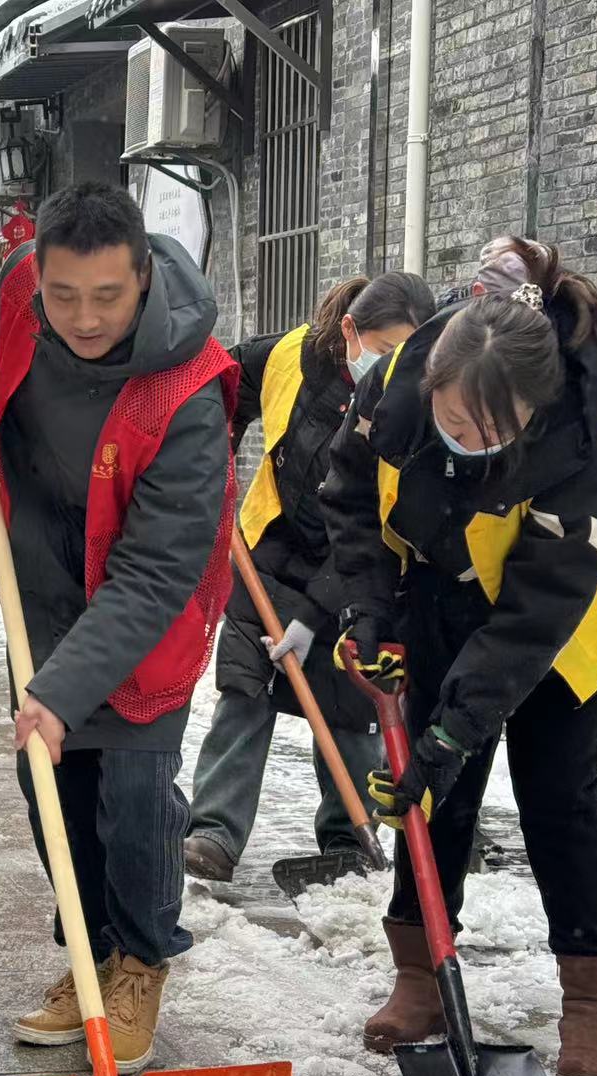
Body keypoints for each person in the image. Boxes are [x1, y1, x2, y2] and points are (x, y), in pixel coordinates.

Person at [320, 237, 597, 1076]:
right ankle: (419, 974)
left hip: (566, 618)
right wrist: (368, 612)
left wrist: (451, 732)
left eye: (491, 432)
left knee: (556, 792)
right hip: (448, 579)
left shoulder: (582, 450)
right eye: (454, 422)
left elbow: (526, 624)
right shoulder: (392, 388)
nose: (467, 441)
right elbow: (351, 499)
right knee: (434, 793)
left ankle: (589, 1001)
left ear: (532, 415)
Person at [0, 183, 238, 1073]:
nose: (82, 317)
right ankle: (87, 955)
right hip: (36, 573)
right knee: (55, 789)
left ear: (143, 276)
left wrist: (61, 690)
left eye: (106, 297)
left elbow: (157, 571)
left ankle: (139, 960)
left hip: (145, 603)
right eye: (63, 296)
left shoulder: (187, 394)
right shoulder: (19, 284)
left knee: (137, 800)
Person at [183, 273, 435, 882]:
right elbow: (215, 385)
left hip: (357, 564)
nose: (389, 365)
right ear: (350, 330)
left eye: (405, 353)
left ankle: (349, 835)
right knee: (245, 689)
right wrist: (210, 442)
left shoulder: (417, 395)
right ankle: (213, 832)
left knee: (351, 706)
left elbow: (372, 524)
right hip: (270, 543)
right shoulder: (289, 356)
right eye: (382, 348)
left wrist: (313, 614)